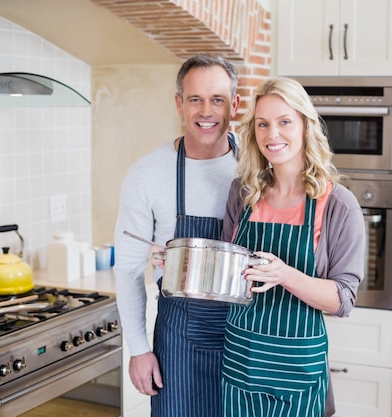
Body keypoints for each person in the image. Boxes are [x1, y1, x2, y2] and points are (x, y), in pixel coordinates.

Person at [220, 77, 365, 417]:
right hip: (240, 364)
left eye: (285, 122)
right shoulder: (242, 193)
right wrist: (182, 263)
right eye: (263, 124)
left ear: (305, 126)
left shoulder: (338, 204)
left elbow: (343, 300)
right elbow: (228, 275)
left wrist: (284, 274)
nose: (273, 134)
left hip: (296, 372)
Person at [113, 54, 241, 417]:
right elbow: (127, 269)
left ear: (235, 103)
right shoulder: (147, 174)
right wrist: (138, 349)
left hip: (249, 341)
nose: (206, 111)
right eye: (195, 99)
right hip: (179, 346)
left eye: (217, 99)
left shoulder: (257, 168)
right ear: (178, 104)